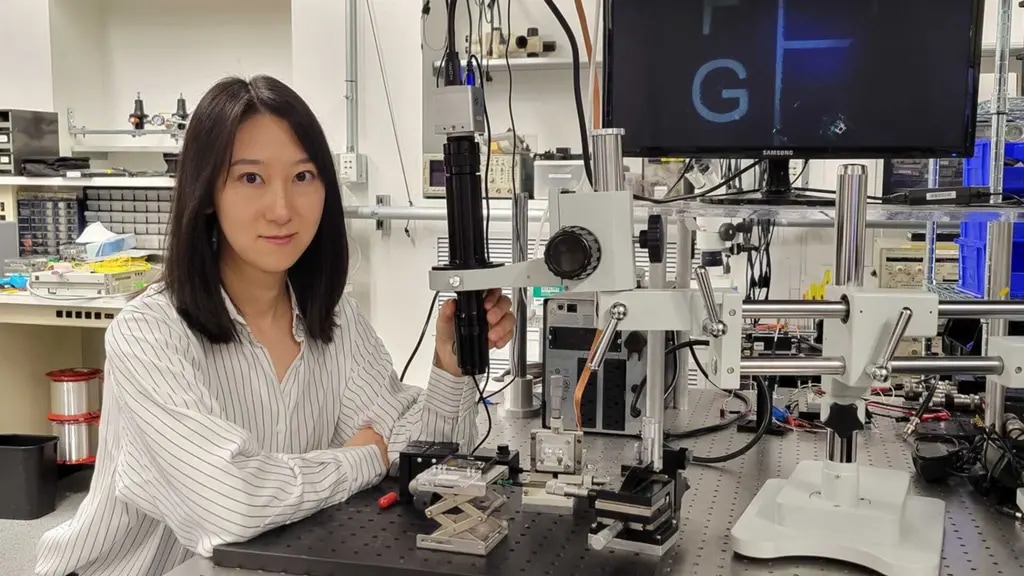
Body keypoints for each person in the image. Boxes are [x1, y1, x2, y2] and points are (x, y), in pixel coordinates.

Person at [34, 75, 514, 576]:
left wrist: (449, 368)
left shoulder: (335, 319)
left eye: (303, 177)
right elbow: (230, 505)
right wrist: (363, 458)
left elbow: (416, 456)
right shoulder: (150, 333)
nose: (283, 209)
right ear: (205, 193)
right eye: (250, 178)